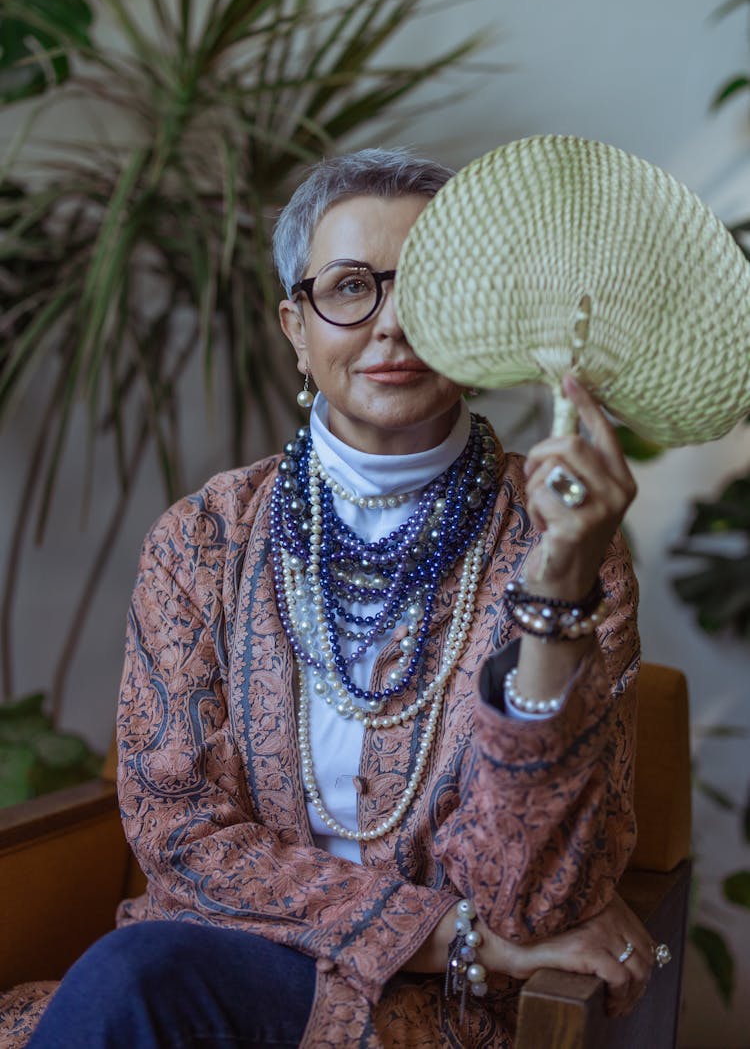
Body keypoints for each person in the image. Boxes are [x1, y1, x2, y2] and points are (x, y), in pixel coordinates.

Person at [11, 148, 656, 1048]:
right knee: (134, 981)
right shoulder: (204, 538)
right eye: (350, 287)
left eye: (429, 285)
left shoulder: (566, 547)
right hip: (206, 973)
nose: (391, 323)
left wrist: (554, 595)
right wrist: (453, 934)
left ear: (481, 325)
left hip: (438, 1018)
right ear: (295, 326)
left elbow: (533, 900)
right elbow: (184, 839)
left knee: (131, 985)